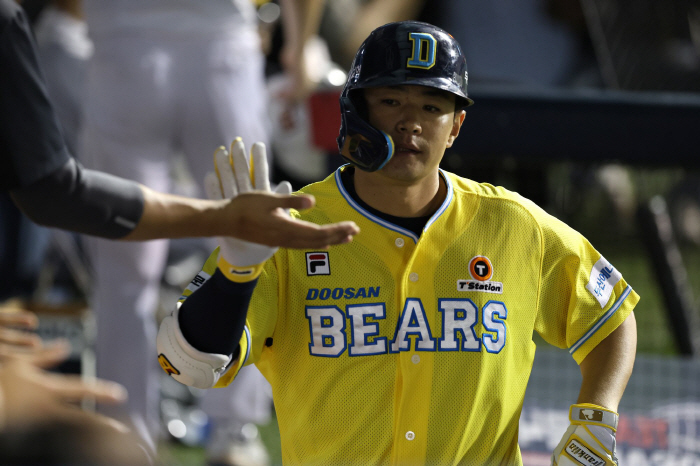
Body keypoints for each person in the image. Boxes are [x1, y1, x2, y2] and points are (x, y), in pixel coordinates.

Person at [158, 21, 638, 465]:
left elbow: (611, 314)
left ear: (455, 128)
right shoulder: (289, 226)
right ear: (357, 110)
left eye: (431, 107)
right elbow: (190, 362)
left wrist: (597, 416)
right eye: (391, 101)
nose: (411, 122)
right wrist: (236, 271)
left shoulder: (514, 225)